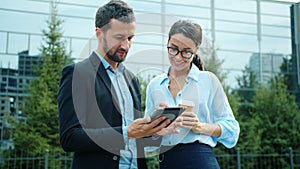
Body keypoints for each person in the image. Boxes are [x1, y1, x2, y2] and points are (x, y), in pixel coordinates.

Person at [57, 1, 171, 168]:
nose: (126, 45)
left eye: (130, 38)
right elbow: (70, 138)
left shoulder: (132, 79)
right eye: (119, 38)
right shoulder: (77, 74)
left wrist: (154, 129)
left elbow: (136, 138)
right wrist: (126, 133)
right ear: (99, 33)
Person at [145, 20, 240, 169]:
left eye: (186, 52)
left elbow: (232, 131)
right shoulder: (154, 85)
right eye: (173, 49)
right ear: (167, 43)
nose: (178, 57)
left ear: (196, 49)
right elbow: (147, 145)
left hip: (200, 159)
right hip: (167, 162)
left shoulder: (208, 81)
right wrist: (156, 130)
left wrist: (201, 127)